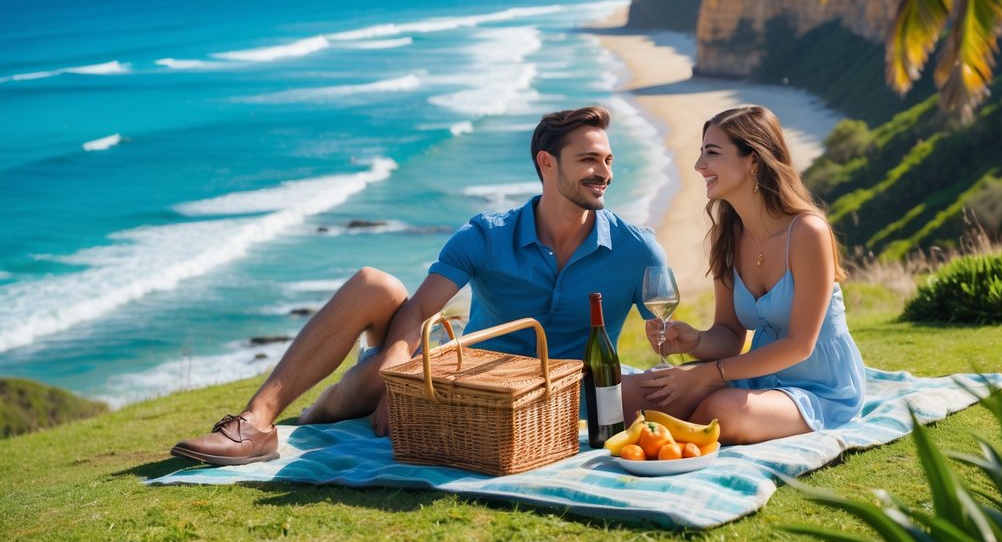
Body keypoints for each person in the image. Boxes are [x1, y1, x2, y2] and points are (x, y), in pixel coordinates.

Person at [171, 105, 666, 465]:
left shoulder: (636, 249)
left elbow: (671, 335)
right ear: (546, 163)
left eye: (608, 161)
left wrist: (686, 345)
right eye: (590, 160)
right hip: (464, 386)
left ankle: (305, 423)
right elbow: (420, 309)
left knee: (674, 395)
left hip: (563, 401)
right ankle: (258, 423)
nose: (604, 173)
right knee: (374, 285)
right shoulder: (487, 235)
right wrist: (400, 382)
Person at [637, 105, 864, 443]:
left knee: (721, 412)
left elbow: (801, 345)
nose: (699, 166)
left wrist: (705, 376)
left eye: (711, 153)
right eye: (701, 153)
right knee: (640, 394)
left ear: (753, 161)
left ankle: (657, 447)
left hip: (820, 389)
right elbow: (729, 334)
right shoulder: (726, 235)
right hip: (755, 378)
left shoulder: (806, 232)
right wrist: (694, 341)